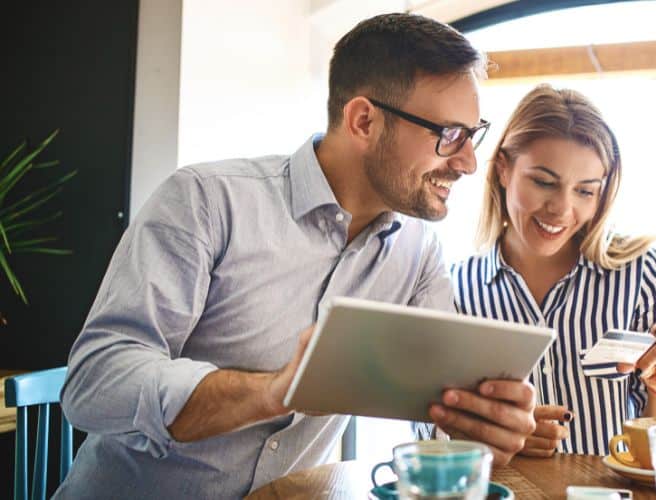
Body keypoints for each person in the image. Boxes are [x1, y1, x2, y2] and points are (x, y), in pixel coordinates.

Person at [56, 13, 536, 499]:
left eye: (472, 135)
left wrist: (480, 424)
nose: (468, 162)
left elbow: (435, 406)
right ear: (363, 120)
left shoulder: (417, 251)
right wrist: (272, 391)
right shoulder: (206, 201)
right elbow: (95, 382)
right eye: (449, 135)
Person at [451, 84, 656, 458]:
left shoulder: (640, 271)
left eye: (585, 191)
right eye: (544, 182)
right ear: (503, 169)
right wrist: (498, 436)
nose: (561, 210)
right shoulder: (456, 288)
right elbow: (433, 437)